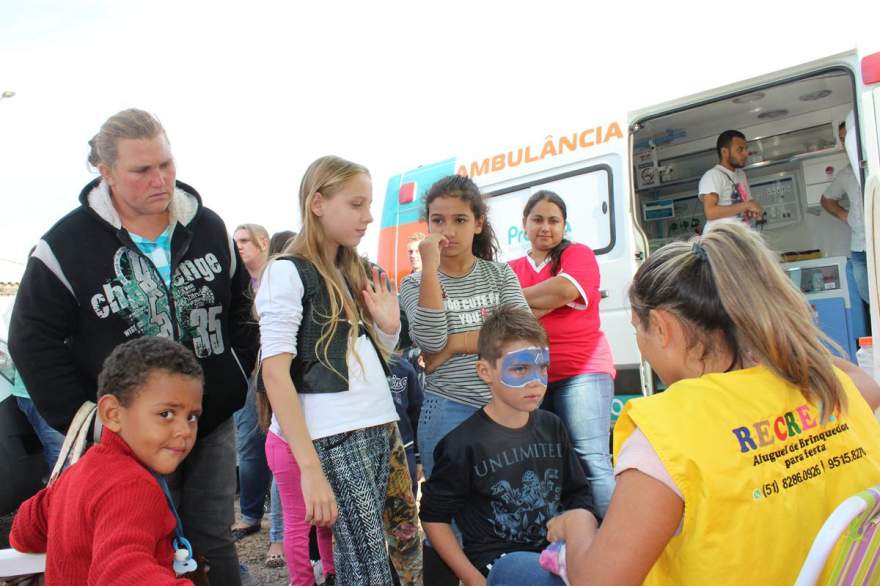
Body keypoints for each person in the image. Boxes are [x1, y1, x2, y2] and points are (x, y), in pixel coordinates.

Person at [498, 223, 880, 586]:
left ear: (662, 327)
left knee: (510, 569)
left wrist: (580, 522)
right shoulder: (831, 385)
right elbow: (859, 382)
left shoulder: (668, 432)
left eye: (638, 330)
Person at [8, 108, 258, 585]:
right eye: (142, 170)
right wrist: (88, 419)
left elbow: (242, 311)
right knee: (133, 539)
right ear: (106, 173)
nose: (160, 179)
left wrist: (232, 381)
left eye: (166, 164)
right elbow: (31, 339)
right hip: (123, 435)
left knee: (212, 540)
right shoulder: (63, 245)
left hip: (207, 421)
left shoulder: (208, 227)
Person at [257, 155, 408, 585]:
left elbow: (372, 356)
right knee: (366, 565)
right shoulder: (287, 272)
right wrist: (309, 468)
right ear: (318, 202)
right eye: (356, 204)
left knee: (385, 554)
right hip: (336, 435)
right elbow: (274, 373)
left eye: (369, 204)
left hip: (380, 424)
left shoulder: (352, 269)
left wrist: (390, 327)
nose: (369, 216)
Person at [420, 306, 597, 586]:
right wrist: (473, 579)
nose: (536, 381)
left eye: (542, 367)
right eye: (520, 368)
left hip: (554, 555)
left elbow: (578, 494)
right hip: (500, 564)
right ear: (485, 371)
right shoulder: (462, 444)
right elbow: (433, 517)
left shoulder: (552, 426)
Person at [11, 337, 204, 585]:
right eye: (166, 414)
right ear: (112, 414)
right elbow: (121, 573)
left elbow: (24, 531)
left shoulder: (79, 473)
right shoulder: (132, 487)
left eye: (192, 416)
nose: (185, 431)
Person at [398, 175, 529, 481]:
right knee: (449, 511)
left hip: (504, 403)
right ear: (427, 226)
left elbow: (522, 336)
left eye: (459, 219)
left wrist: (455, 344)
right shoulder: (414, 283)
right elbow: (431, 342)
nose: (448, 231)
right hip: (446, 408)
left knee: (506, 504)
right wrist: (429, 269)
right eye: (438, 221)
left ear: (478, 223)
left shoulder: (499, 275)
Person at [509, 190, 617, 517]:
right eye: (537, 219)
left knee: (589, 459)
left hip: (582, 370)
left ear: (564, 225)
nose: (546, 227)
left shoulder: (578, 254)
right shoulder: (510, 268)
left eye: (554, 220)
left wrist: (515, 299)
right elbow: (503, 317)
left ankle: (616, 545)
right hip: (532, 379)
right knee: (541, 465)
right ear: (524, 225)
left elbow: (565, 290)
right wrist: (541, 301)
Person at [230, 223, 287, 570]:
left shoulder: (279, 277)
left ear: (262, 243)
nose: (238, 248)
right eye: (234, 243)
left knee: (280, 445)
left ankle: (279, 534)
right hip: (247, 375)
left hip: (276, 371)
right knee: (249, 445)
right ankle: (250, 514)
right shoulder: (235, 285)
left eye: (243, 241)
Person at [821, 121, 869, 305]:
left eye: (846, 137)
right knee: (869, 299)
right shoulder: (845, 174)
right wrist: (845, 215)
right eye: (842, 139)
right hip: (859, 248)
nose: (844, 143)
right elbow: (826, 200)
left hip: (877, 243)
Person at [698, 129, 763, 232]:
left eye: (746, 149)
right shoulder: (712, 176)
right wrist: (746, 205)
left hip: (740, 237)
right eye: (740, 149)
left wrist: (754, 208)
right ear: (724, 152)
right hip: (720, 241)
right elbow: (710, 212)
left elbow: (748, 202)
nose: (746, 154)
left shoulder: (741, 175)